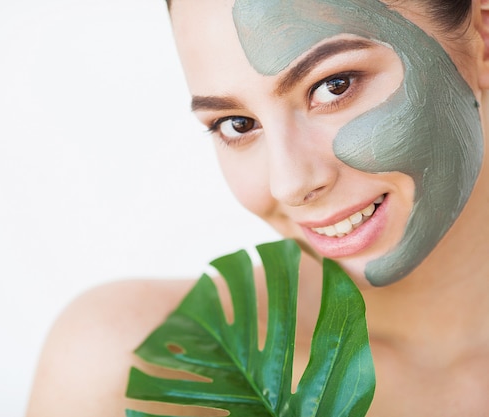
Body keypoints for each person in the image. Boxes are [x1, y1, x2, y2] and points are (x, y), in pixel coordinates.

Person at [26, 0, 489, 415]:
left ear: (482, 35)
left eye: (334, 85)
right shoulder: (143, 360)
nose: (289, 183)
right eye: (238, 123)